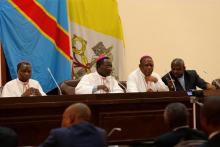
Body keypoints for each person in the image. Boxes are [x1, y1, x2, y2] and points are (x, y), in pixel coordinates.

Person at [40, 103, 107, 147]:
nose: (62, 122)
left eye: (64, 118)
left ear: (72, 118)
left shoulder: (59, 134)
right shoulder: (101, 134)